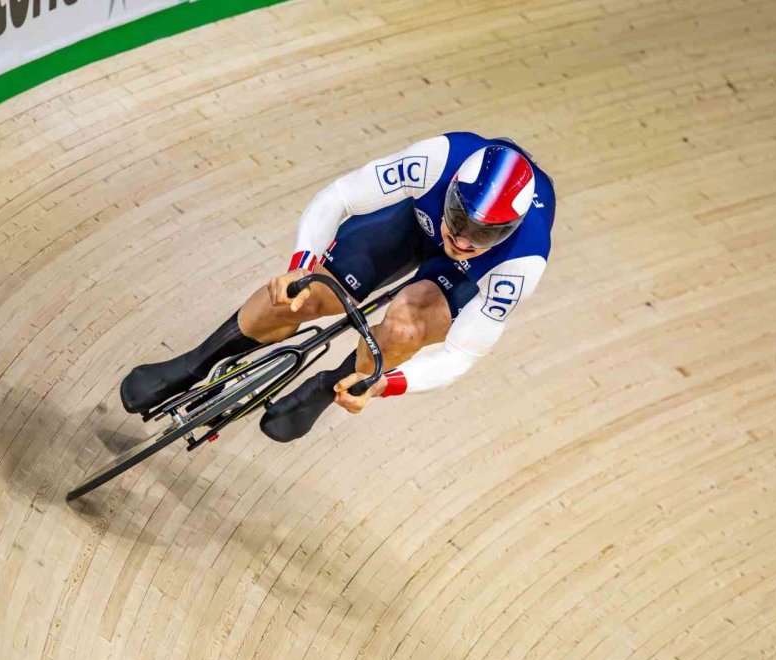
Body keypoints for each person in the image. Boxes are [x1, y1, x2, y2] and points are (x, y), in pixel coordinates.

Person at [119, 132, 556, 442]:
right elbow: (340, 197)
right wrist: (300, 265)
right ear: (452, 193)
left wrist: (386, 384)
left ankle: (330, 387)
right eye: (459, 221)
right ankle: (193, 364)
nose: (462, 241)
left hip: (462, 276)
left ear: (509, 231)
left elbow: (461, 355)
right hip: (413, 223)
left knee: (404, 327)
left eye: (483, 236)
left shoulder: (522, 262)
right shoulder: (438, 159)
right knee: (304, 294)